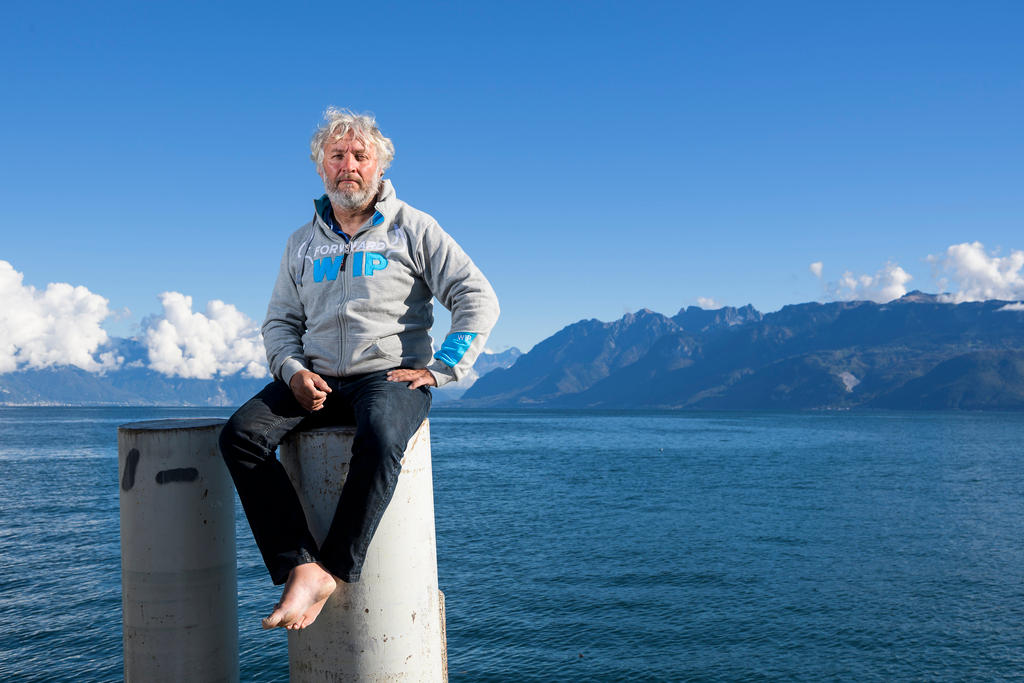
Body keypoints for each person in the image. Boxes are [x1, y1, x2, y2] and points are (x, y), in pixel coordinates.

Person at [219, 107, 499, 631]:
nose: (348, 165)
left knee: (382, 432)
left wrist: (441, 368)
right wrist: (293, 371)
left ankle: (331, 569)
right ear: (320, 168)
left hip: (388, 376)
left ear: (379, 167)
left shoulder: (413, 228)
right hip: (316, 379)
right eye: (336, 155)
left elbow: (477, 298)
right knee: (240, 435)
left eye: (360, 156)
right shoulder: (301, 243)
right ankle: (297, 562)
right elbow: (279, 323)